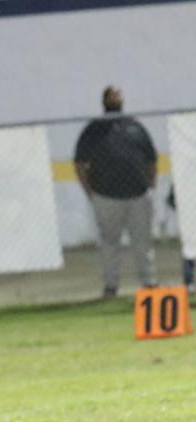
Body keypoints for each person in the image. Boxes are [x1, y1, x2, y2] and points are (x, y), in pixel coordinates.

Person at [75, 86, 158, 298]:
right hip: (106, 197)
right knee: (109, 243)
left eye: (119, 95)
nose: (117, 99)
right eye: (113, 96)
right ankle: (111, 286)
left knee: (142, 241)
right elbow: (79, 162)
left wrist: (151, 187)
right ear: (104, 101)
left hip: (138, 196)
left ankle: (149, 285)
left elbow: (151, 159)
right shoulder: (93, 130)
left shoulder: (135, 127)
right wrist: (90, 193)